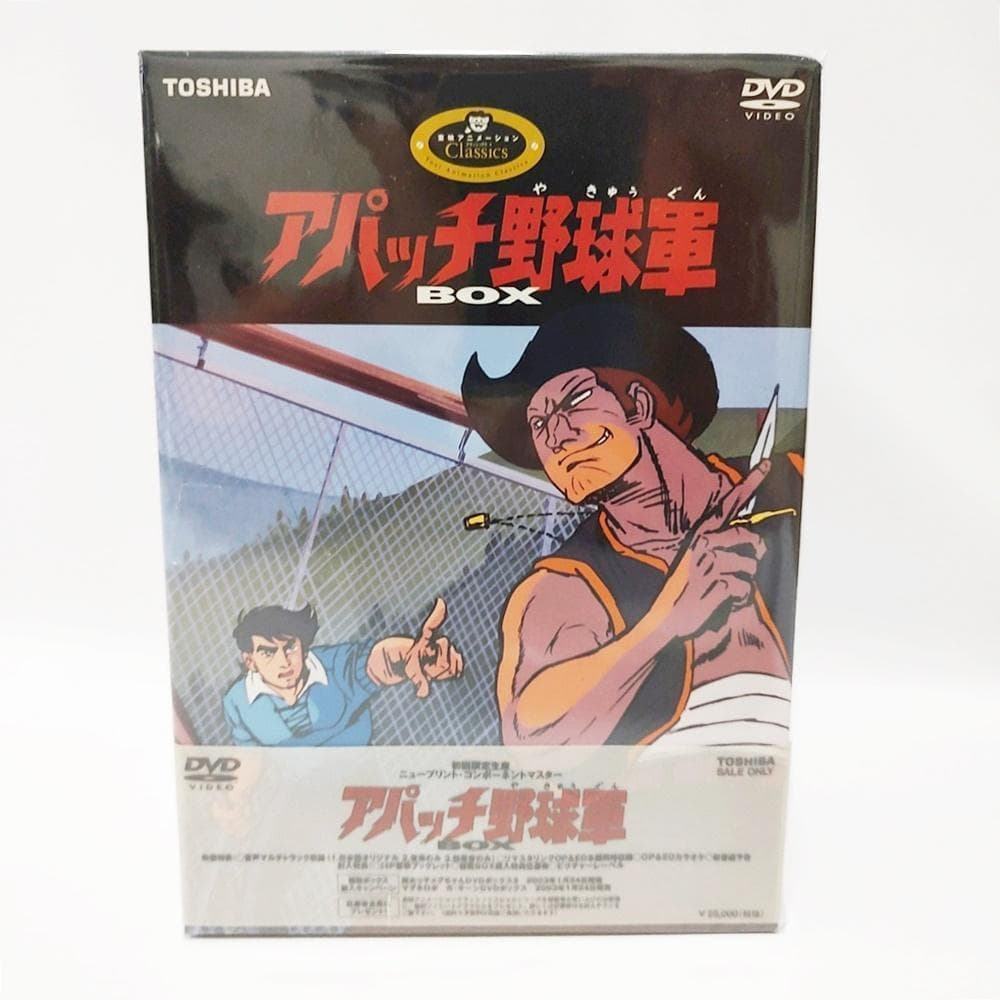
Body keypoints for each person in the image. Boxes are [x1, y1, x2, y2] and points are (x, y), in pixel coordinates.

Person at [461, 302, 803, 746]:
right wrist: (665, 621)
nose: (555, 436)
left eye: (573, 401)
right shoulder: (567, 583)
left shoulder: (790, 482)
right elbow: (531, 739)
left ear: (639, 406)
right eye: (538, 424)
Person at [223, 598, 462, 746]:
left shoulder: (333, 666)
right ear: (250, 661)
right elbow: (251, 763)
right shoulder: (236, 701)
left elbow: (374, 662)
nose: (283, 662)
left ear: (303, 646)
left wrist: (413, 655)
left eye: (290, 648)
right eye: (268, 653)